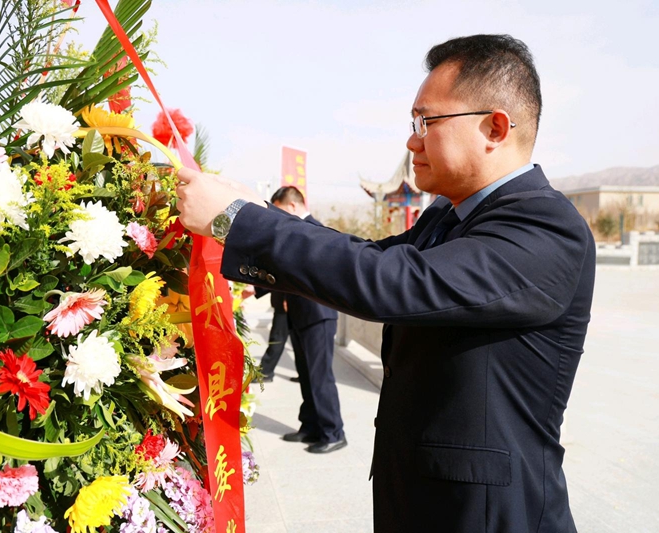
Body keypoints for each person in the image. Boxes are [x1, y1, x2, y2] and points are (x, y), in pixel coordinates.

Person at [176, 34, 595, 533]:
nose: (412, 141)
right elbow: (375, 257)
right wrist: (261, 213)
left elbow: (393, 281)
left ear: (495, 127)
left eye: (426, 122)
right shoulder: (446, 216)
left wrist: (237, 221)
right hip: (418, 498)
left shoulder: (545, 226)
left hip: (487, 515)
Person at [258, 186, 346, 453]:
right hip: (300, 314)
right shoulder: (300, 230)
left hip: (318, 315)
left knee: (320, 376)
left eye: (280, 211)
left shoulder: (314, 231)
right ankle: (310, 426)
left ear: (293, 206)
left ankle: (333, 432)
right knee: (306, 375)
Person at [257, 290, 290, 382]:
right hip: (287, 301)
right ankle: (306, 374)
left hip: (287, 302)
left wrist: (287, 298)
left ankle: (265, 372)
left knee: (277, 339)